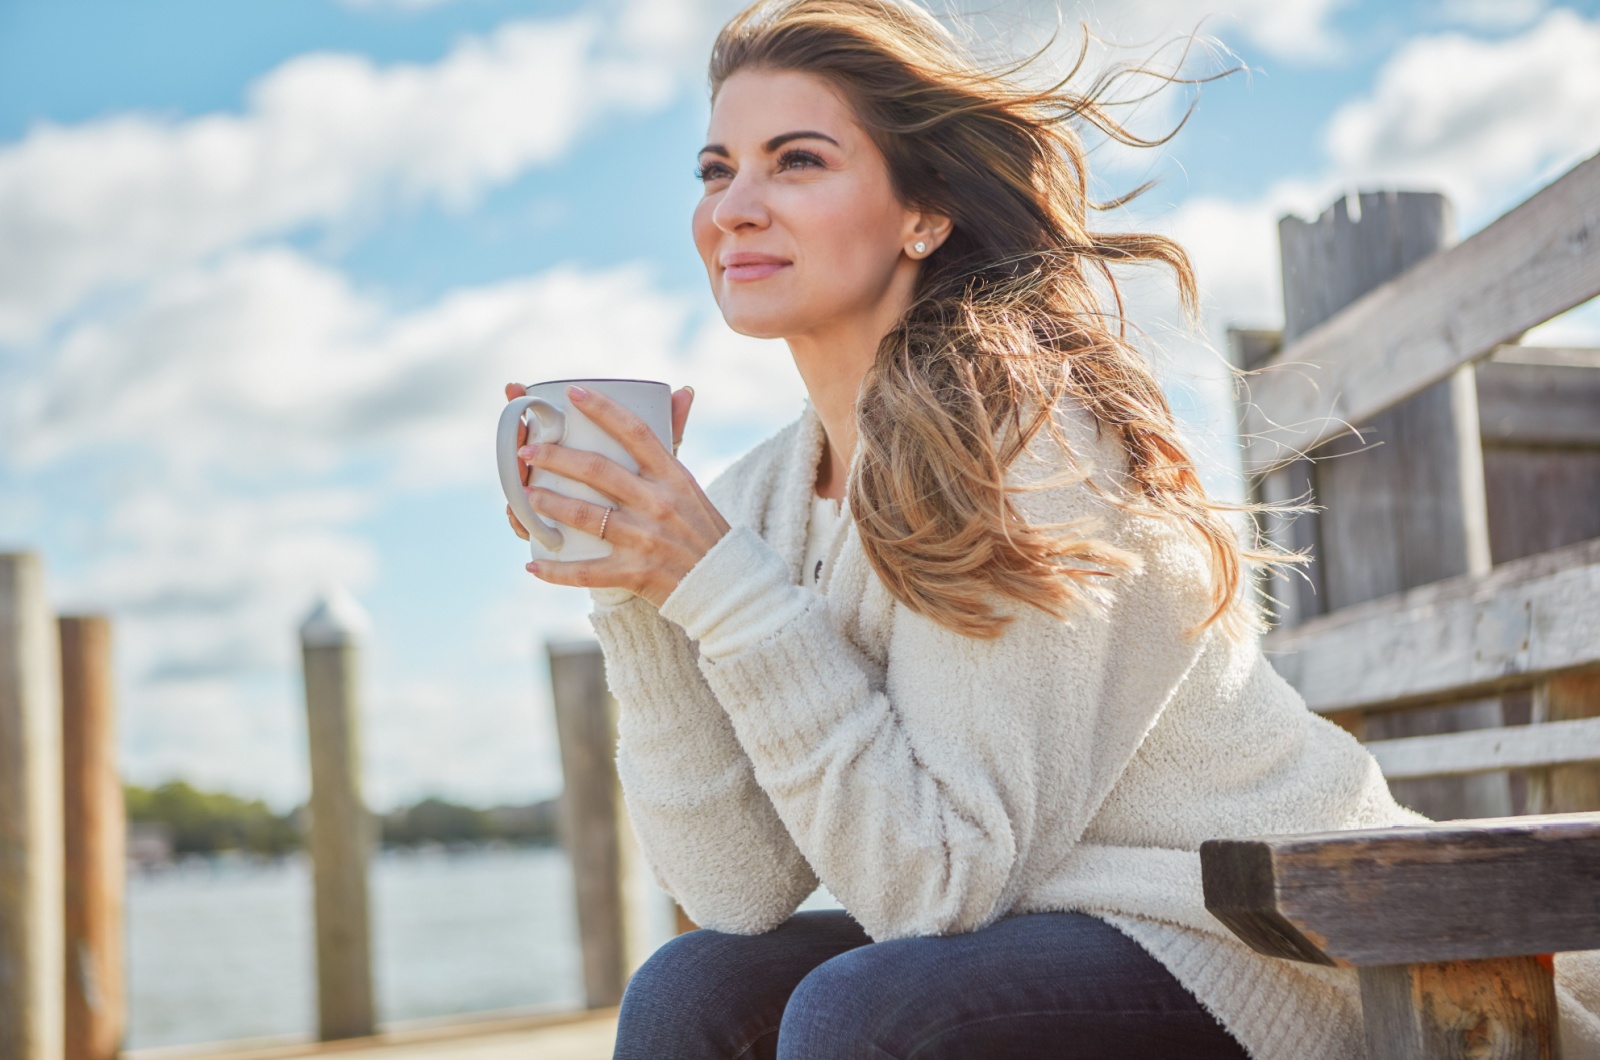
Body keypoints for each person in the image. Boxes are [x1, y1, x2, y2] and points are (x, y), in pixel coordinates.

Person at [502, 1, 1600, 1057]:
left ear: (923, 212)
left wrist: (714, 581)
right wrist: (633, 585)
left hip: (1272, 937)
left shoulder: (1021, 432)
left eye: (796, 160)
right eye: (715, 168)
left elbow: (935, 884)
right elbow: (737, 891)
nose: (732, 205)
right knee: (694, 985)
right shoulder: (764, 495)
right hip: (1045, 926)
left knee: (865, 1014)